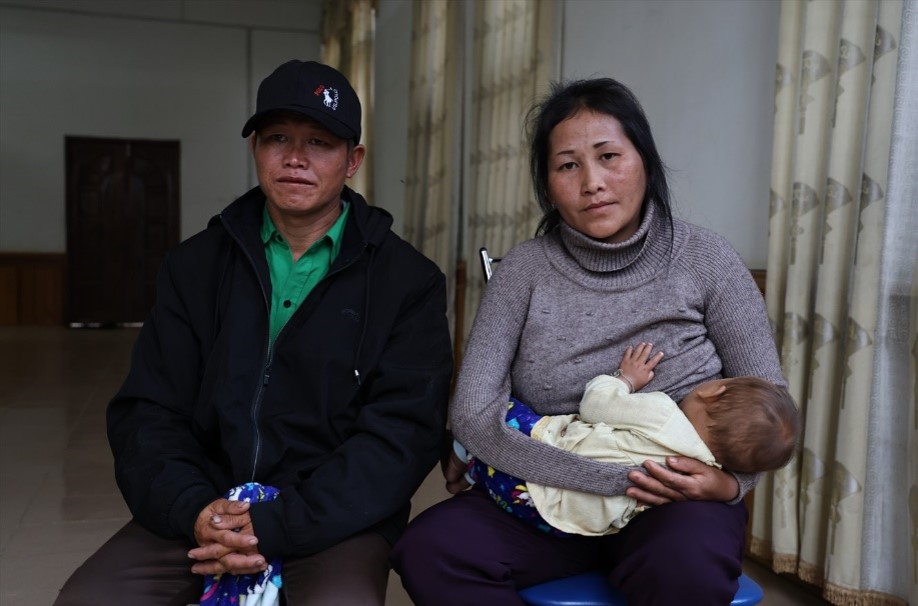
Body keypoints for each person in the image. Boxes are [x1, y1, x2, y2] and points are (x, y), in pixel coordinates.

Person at [54, 59, 453, 605]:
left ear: (352, 160)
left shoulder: (407, 281)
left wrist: (279, 521)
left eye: (320, 141)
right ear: (255, 150)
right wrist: (193, 508)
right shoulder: (194, 266)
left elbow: (402, 435)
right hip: (203, 506)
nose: (295, 157)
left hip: (331, 517)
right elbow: (149, 410)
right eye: (278, 138)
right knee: (89, 599)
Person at [390, 77, 787, 605]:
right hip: (542, 496)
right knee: (430, 549)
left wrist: (729, 486)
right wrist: (608, 478)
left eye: (608, 156)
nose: (592, 182)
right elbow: (473, 413)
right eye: (568, 165)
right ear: (548, 182)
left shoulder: (707, 261)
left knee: (685, 565)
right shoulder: (524, 271)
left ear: (644, 160)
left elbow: (769, 402)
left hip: (670, 505)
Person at [458, 342, 798, 536]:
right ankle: (476, 468)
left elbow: (596, 405)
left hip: (541, 473)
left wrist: (625, 380)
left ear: (714, 390)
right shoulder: (698, 473)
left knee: (499, 410)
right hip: (567, 524)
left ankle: (464, 453)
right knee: (495, 475)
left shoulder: (663, 414)